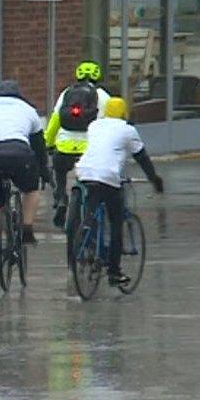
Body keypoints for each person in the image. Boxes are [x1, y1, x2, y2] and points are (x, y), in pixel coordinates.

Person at [74, 97, 163, 285]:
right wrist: (154, 180)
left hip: (84, 172)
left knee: (92, 211)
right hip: (108, 176)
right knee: (116, 222)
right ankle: (114, 271)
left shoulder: (94, 126)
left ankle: (86, 239)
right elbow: (142, 158)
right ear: (125, 113)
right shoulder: (128, 130)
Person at [0, 80, 51, 272]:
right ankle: (26, 228)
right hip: (18, 153)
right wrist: (44, 172)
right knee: (31, 189)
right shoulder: (28, 109)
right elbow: (39, 148)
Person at [44, 61, 111, 227]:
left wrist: (48, 143)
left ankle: (61, 197)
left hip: (65, 148)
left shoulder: (67, 93)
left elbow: (55, 121)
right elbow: (110, 125)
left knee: (59, 170)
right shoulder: (103, 97)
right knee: (93, 182)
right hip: (89, 149)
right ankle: (91, 211)